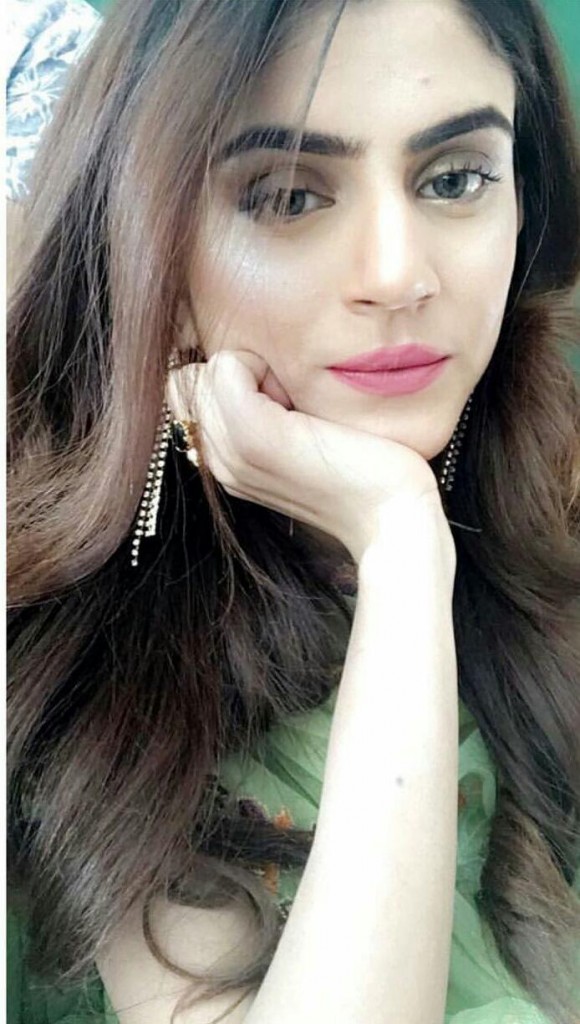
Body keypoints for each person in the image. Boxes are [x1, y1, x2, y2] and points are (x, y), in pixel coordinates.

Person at [6, 0, 580, 1022]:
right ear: (151, 248)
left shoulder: (553, 511)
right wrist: (400, 543)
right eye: (287, 196)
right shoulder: (88, 672)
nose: (397, 275)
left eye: (455, 179)